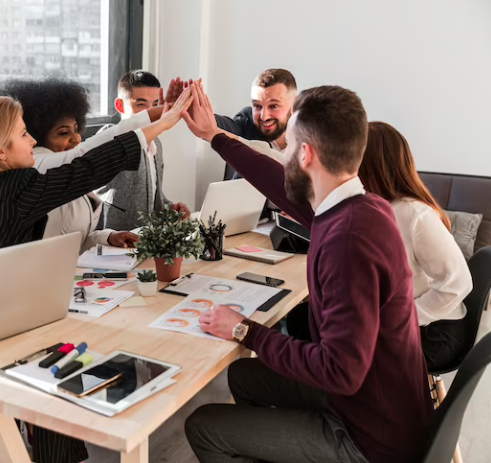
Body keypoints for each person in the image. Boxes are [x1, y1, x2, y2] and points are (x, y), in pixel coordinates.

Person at [0, 93, 191, 463]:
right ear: (0, 153)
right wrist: (158, 126)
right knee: (51, 366)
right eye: (23, 135)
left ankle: (61, 454)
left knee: (55, 350)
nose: (33, 142)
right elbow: (86, 168)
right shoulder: (18, 187)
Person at [181, 83, 433, 463]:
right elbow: (277, 184)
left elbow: (340, 371)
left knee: (203, 426)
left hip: (371, 438)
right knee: (242, 377)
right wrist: (213, 135)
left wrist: (244, 330)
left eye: (289, 148)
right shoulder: (361, 206)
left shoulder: (347, 240)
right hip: (377, 402)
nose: (283, 160)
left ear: (306, 155)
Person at [359, 122, 473, 370]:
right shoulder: (379, 208)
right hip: (415, 322)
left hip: (436, 334)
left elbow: (460, 282)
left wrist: (399, 319)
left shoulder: (415, 214)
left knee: (346, 355)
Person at [0, 77, 150, 253]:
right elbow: (87, 153)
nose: (76, 139)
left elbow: (75, 237)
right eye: (63, 133)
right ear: (36, 137)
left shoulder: (67, 172)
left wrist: (108, 237)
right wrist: (157, 118)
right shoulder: (39, 164)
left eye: (76, 129)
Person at [94, 70, 190, 231]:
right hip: (111, 244)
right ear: (120, 106)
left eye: (155, 105)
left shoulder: (156, 144)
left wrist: (171, 209)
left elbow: (153, 201)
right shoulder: (109, 138)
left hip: (145, 241)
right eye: (141, 105)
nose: (151, 112)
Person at [215, 68, 298, 174]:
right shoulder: (247, 122)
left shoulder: (313, 134)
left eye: (273, 106)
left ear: (294, 104)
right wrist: (203, 116)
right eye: (257, 106)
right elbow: (227, 127)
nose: (264, 117)